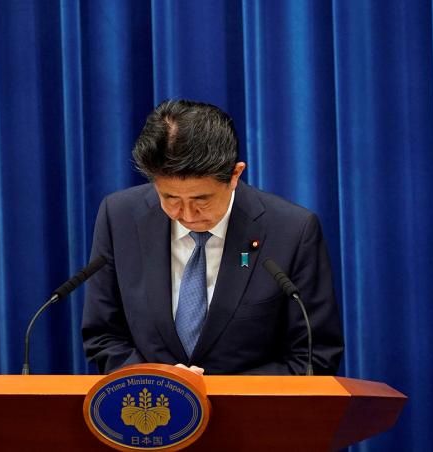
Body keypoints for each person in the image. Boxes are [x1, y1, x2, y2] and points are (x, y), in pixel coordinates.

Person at [82, 99, 343, 375]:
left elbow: (314, 356)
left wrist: (214, 395)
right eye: (170, 198)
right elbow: (103, 335)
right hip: (151, 410)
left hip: (253, 414)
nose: (187, 214)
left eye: (201, 199)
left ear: (234, 175)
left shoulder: (291, 231)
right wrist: (161, 382)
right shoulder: (119, 217)